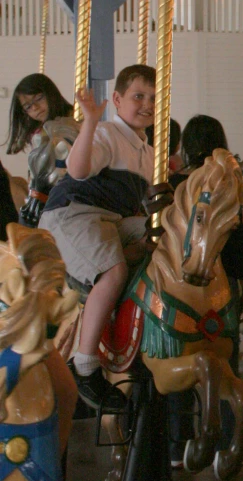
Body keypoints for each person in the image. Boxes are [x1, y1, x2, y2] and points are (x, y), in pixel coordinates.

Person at [38, 65, 156, 409]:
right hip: (73, 215)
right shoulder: (107, 133)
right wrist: (89, 122)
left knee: (166, 246)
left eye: (153, 98)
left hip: (111, 220)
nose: (147, 104)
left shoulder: (146, 150)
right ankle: (85, 365)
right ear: (117, 99)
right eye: (138, 96)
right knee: (114, 271)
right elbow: (77, 170)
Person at [165, 114, 243, 467]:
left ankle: (177, 442)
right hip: (220, 286)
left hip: (182, 286)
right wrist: (241, 286)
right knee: (225, 362)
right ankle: (227, 441)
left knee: (178, 359)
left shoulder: (175, 183)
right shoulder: (226, 187)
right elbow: (236, 244)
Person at [4, 73, 74, 155]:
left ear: (51, 93)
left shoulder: (73, 119)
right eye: (28, 107)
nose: (35, 107)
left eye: (39, 98)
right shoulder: (38, 133)